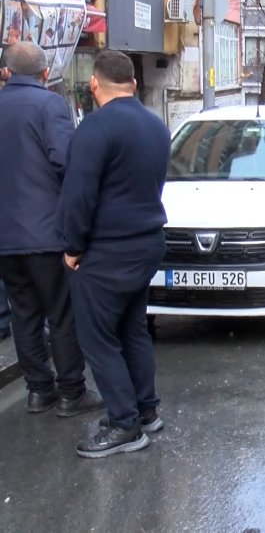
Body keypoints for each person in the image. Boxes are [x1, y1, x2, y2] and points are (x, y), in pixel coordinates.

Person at [60, 50, 170, 458]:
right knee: (132, 329)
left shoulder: (94, 128)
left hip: (106, 252)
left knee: (98, 338)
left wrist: (73, 247)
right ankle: (146, 411)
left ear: (94, 84)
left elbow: (78, 195)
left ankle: (124, 425)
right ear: (134, 85)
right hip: (146, 243)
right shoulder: (157, 126)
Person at [0, 42, 103, 416]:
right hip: (45, 235)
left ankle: (38, 391)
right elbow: (66, 161)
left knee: (22, 314)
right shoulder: (49, 105)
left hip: (6, 240)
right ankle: (71, 392)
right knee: (61, 314)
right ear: (45, 73)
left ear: (5, 72)